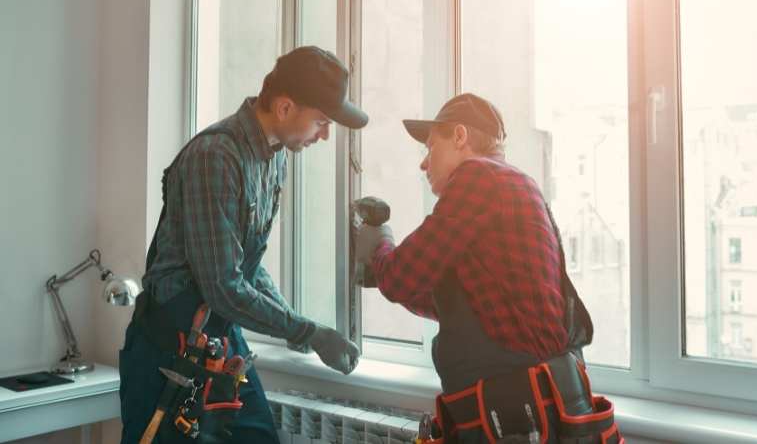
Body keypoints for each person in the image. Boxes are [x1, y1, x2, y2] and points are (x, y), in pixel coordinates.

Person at [120, 46, 365, 444]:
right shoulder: (215, 156)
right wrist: (308, 333)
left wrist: (292, 325)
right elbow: (224, 286)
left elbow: (247, 266)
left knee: (259, 436)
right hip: (169, 348)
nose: (324, 135)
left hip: (219, 338)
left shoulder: (274, 157)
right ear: (285, 108)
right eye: (321, 122)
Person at [355, 93, 620, 444]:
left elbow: (402, 278)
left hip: (516, 408)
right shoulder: (518, 185)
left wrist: (379, 244)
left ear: (460, 137)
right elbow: (455, 302)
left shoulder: (479, 177)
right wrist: (381, 269)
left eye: (431, 148)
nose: (424, 164)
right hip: (540, 406)